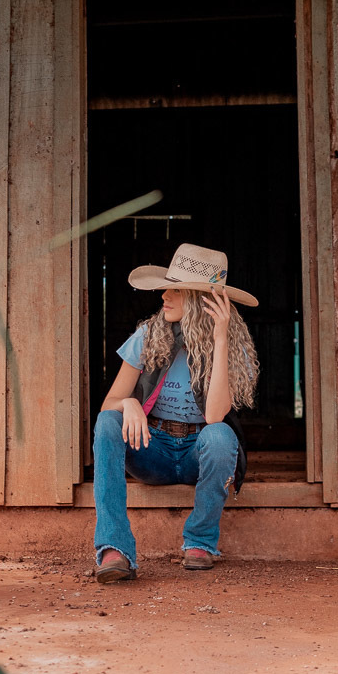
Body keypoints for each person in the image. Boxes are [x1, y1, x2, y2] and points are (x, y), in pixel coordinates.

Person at [92, 243, 259, 584]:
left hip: (200, 451)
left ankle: (200, 542)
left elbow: (215, 416)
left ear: (202, 300)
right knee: (108, 421)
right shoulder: (148, 335)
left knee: (221, 435)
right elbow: (110, 403)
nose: (164, 296)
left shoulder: (232, 346)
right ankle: (114, 549)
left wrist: (221, 340)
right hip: (152, 449)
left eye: (176, 290)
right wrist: (129, 403)